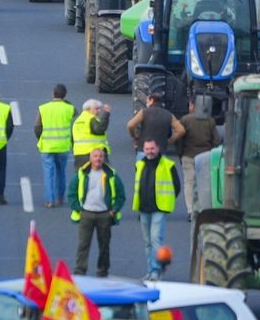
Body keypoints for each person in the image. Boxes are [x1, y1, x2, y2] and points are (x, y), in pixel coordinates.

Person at [68, 147, 125, 277]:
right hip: (86, 214)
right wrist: (78, 209)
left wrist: (113, 210)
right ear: (90, 158)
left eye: (100, 156)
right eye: (95, 156)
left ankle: (102, 270)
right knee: (83, 244)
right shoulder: (82, 174)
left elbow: (121, 195)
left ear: (104, 158)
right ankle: (80, 270)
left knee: (104, 245)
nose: (98, 159)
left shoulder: (112, 175)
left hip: (104, 215)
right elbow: (72, 193)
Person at [133, 139, 181, 281]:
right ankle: (150, 270)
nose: (149, 151)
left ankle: (156, 271)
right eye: (147, 149)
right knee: (147, 242)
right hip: (143, 208)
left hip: (159, 208)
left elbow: (176, 186)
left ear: (158, 148)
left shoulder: (168, 165)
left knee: (155, 240)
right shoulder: (140, 164)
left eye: (152, 148)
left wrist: (168, 201)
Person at [34, 84, 75, 209]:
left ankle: (50, 200)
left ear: (52, 94)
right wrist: (64, 100)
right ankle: (60, 197)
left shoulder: (43, 108)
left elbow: (37, 126)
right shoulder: (69, 108)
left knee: (48, 173)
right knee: (61, 172)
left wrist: (40, 137)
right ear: (65, 95)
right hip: (62, 146)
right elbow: (76, 111)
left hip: (47, 146)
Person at [178, 100, 220, 217]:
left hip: (188, 155)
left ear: (192, 105)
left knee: (189, 183)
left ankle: (190, 211)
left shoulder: (185, 120)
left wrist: (180, 153)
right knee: (204, 184)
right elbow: (216, 140)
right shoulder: (210, 121)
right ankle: (203, 209)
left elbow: (179, 139)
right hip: (205, 157)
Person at [126, 92, 184, 157]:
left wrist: (134, 136)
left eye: (147, 101)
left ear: (152, 100)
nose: (146, 103)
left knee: (142, 167)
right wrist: (170, 140)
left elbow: (130, 125)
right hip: (161, 151)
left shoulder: (144, 112)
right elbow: (181, 130)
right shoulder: (169, 115)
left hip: (144, 150)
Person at [72, 98, 112, 169]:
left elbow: (72, 138)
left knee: (82, 177)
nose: (99, 111)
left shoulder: (76, 120)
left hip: (79, 154)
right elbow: (99, 129)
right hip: (95, 154)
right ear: (88, 109)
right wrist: (106, 114)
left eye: (99, 109)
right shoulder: (91, 119)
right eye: (96, 109)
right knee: (106, 175)